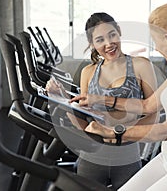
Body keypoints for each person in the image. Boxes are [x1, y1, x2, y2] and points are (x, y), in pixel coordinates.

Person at [73, 3, 167, 191]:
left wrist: (114, 132)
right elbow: (148, 105)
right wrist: (99, 99)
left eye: (155, 40)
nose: (155, 46)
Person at [46, 12, 158, 190]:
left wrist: (119, 132)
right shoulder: (88, 73)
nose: (108, 44)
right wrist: (63, 100)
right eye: (100, 40)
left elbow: (153, 116)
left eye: (112, 35)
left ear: (119, 31)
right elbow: (83, 125)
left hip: (127, 157)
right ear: (92, 44)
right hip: (92, 158)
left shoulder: (141, 66)